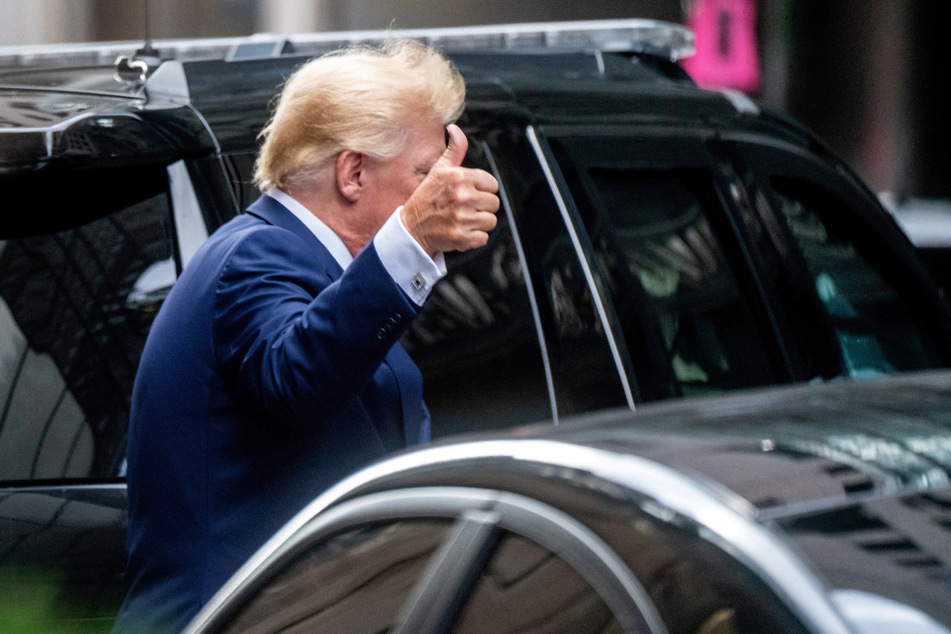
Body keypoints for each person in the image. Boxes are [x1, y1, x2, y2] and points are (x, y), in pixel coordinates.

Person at [113, 39, 499, 633]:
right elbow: (297, 374)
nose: (437, 190)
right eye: (423, 174)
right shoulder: (254, 253)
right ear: (352, 172)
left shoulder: (309, 264)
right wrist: (412, 238)